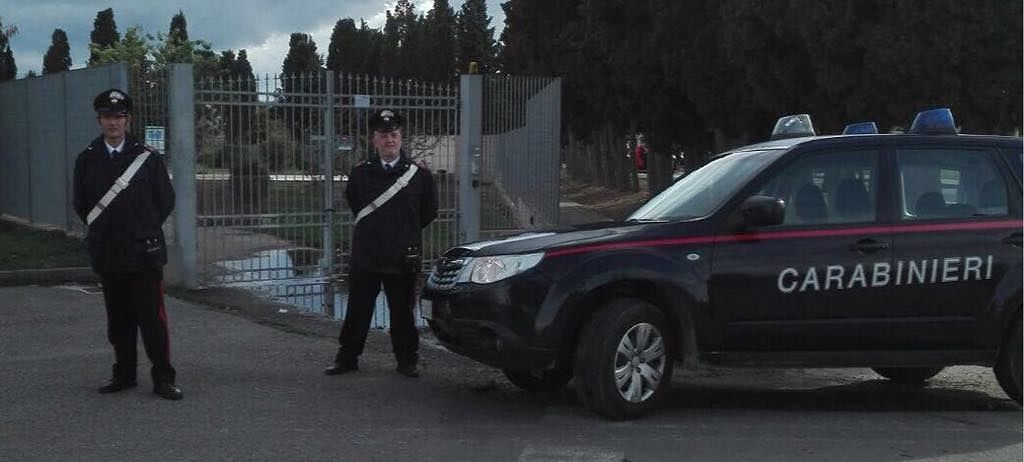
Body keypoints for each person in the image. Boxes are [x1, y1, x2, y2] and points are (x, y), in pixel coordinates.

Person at [72, 89, 182, 400]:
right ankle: (124, 374)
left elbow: (166, 200)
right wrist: (109, 230)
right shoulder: (87, 158)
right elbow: (81, 203)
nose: (113, 122)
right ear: (99, 120)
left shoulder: (147, 158)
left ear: (127, 120)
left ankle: (163, 378)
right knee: (118, 319)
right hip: (109, 251)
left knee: (152, 319)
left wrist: (142, 227)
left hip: (142, 252)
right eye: (107, 116)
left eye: (118, 117)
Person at [324, 109, 438, 378]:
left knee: (402, 314)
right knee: (358, 310)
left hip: (401, 256)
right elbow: (354, 203)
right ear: (374, 140)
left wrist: (403, 233)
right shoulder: (361, 174)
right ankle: (347, 358)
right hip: (368, 255)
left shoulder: (418, 175)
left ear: (401, 139)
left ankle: (407, 360)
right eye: (384, 135)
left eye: (395, 135)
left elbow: (428, 211)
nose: (390, 140)